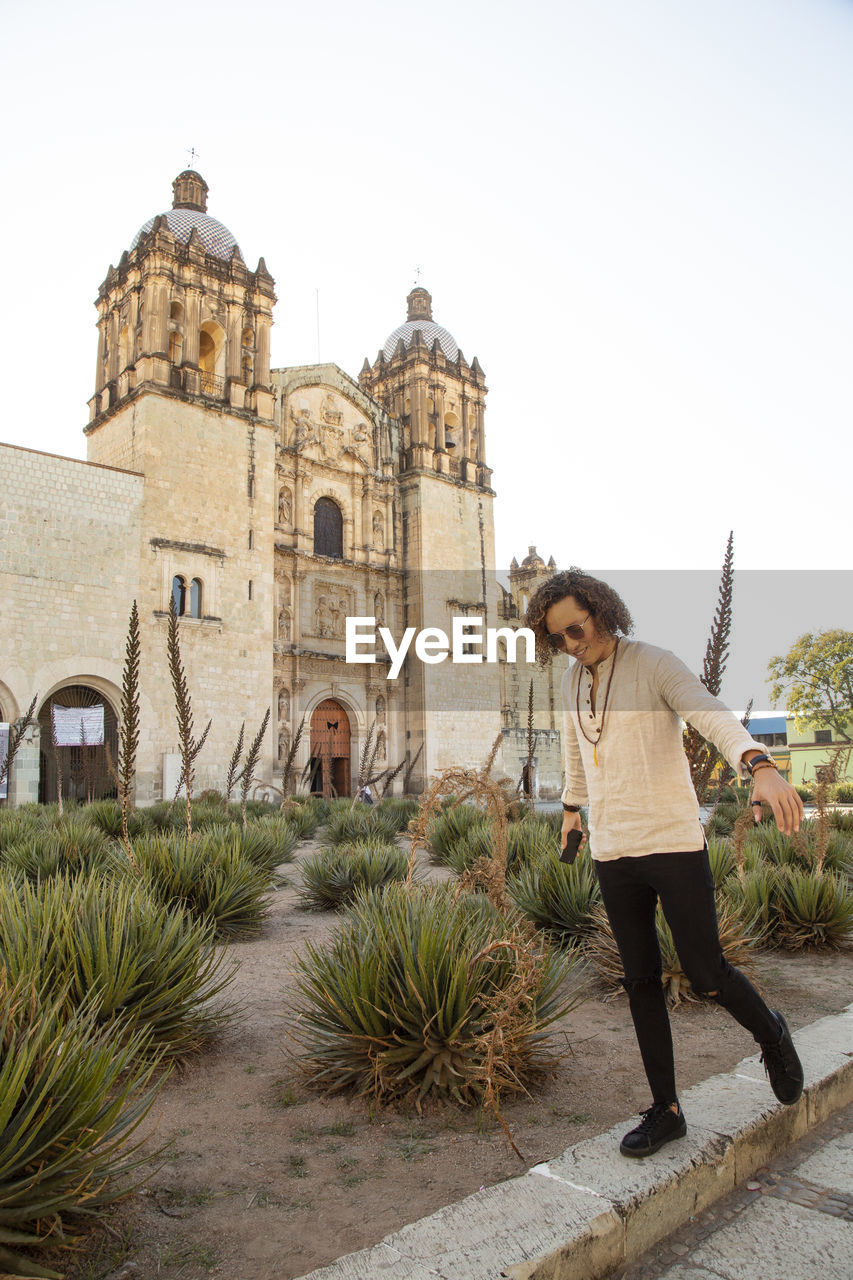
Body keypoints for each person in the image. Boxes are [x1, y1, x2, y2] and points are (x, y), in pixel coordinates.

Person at [525, 569, 805, 1159]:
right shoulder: (575, 681)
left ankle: (772, 1033)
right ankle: (666, 1109)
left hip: (674, 842)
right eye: (558, 638)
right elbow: (578, 748)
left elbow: (708, 711)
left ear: (601, 610)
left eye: (576, 628)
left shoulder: (654, 662)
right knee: (640, 982)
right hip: (613, 851)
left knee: (706, 974)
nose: (572, 643)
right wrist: (572, 811)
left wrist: (758, 762)